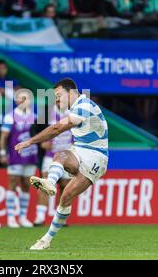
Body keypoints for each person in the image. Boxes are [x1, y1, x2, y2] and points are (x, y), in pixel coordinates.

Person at [14, 78, 109, 250]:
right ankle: (50, 183)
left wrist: (30, 142)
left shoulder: (84, 106)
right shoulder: (74, 108)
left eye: (58, 95)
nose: (56, 100)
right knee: (60, 154)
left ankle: (47, 238)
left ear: (71, 92)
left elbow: (57, 128)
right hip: (79, 150)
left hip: (96, 157)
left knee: (66, 197)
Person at [0, 89, 37, 228]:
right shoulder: (10, 116)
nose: (23, 101)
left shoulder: (34, 117)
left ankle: (23, 217)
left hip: (31, 155)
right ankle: (10, 217)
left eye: (26, 98)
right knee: (13, 183)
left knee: (27, 184)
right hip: (15, 155)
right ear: (16, 100)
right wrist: (3, 153)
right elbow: (3, 137)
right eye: (21, 98)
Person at [34, 105, 73, 226]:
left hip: (67, 155)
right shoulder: (46, 114)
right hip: (50, 156)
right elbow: (34, 129)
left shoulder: (73, 114)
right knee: (45, 184)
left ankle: (61, 218)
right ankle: (40, 218)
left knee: (65, 186)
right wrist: (41, 143)